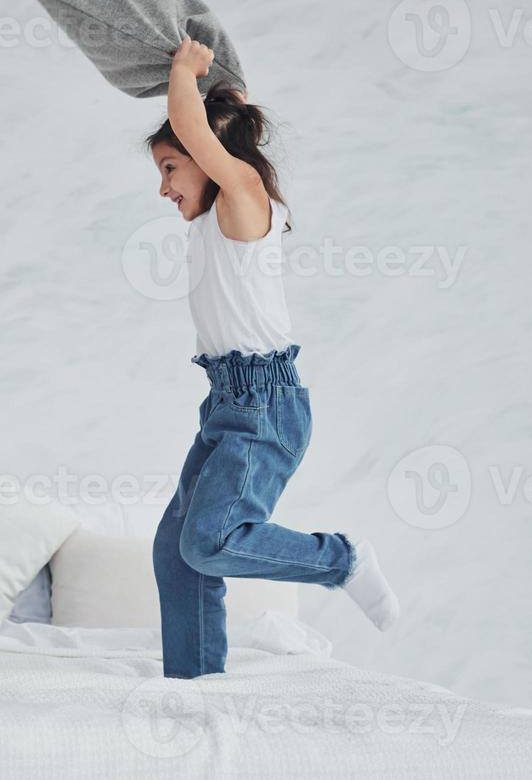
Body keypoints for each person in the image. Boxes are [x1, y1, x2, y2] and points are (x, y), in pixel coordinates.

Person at [149, 39, 399, 678]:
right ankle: (196, 685)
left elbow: (194, 127)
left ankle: (340, 560)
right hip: (227, 403)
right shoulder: (213, 222)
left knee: (210, 542)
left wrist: (183, 70)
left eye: (172, 167)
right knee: (176, 554)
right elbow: (203, 125)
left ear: (211, 159)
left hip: (265, 406)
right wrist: (225, 91)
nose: (163, 187)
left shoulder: (244, 199)